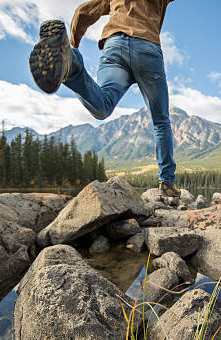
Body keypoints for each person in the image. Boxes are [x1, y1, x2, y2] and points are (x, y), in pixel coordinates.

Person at [29, 0, 180, 197]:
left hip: (114, 46)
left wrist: (73, 45)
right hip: (147, 47)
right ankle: (167, 183)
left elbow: (82, 12)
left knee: (103, 106)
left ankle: (71, 63)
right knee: (160, 121)